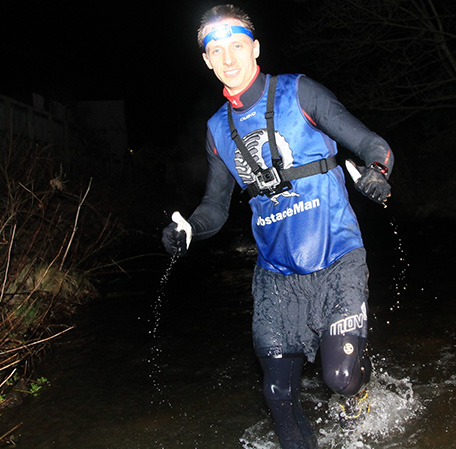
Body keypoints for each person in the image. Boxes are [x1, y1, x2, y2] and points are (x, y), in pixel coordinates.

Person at [161, 5, 394, 448]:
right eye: (216, 51)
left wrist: (377, 171)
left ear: (256, 48)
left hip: (336, 257)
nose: (228, 58)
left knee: (340, 379)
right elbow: (215, 205)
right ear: (207, 61)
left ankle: (361, 392)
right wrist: (190, 228)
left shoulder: (300, 92)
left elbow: (371, 143)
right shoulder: (216, 129)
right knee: (277, 392)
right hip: (276, 279)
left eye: (237, 46)